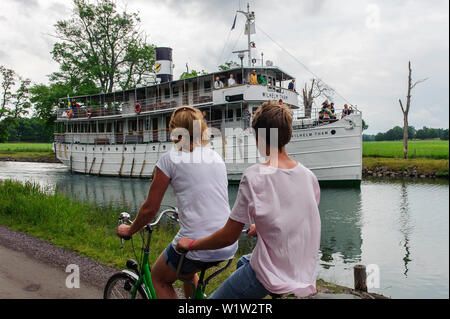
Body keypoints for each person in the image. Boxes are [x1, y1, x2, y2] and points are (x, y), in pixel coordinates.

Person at [177, 101, 322, 299]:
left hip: (269, 274)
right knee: (243, 262)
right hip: (300, 270)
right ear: (288, 134)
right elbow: (296, 216)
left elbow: (228, 236)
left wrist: (191, 244)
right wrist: (260, 226)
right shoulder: (309, 176)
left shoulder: (254, 176)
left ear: (260, 137)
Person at [117, 106, 238, 299]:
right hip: (226, 243)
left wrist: (130, 229)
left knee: (158, 279)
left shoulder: (169, 159)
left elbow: (149, 209)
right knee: (188, 271)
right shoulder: (215, 156)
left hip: (197, 246)